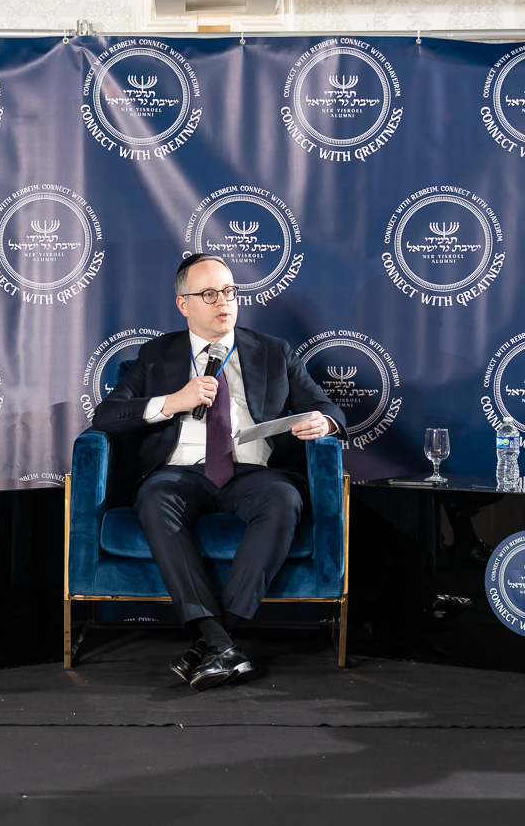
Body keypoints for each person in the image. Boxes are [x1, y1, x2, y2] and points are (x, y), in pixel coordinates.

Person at [92, 253, 346, 690]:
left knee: (284, 498)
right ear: (183, 304)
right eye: (208, 294)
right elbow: (107, 416)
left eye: (228, 291)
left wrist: (324, 423)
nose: (223, 301)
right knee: (154, 498)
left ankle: (214, 641)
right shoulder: (156, 354)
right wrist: (174, 401)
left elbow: (326, 407)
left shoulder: (273, 351)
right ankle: (219, 642)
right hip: (180, 474)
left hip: (253, 473)